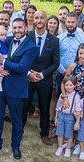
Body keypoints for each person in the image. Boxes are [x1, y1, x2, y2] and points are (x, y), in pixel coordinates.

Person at [0, 18, 37, 159]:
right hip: (0, 86)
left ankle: (15, 146)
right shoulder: (7, 39)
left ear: (25, 29)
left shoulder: (31, 47)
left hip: (16, 87)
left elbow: (22, 68)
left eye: (19, 27)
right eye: (14, 28)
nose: (17, 30)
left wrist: (3, 62)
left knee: (16, 118)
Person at [23, 10, 60, 145]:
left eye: (41, 18)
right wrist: (29, 73)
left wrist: (42, 74)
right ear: (33, 20)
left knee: (44, 107)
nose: (39, 20)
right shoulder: (27, 36)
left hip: (45, 79)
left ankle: (44, 133)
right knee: (24, 105)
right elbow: (21, 58)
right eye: (36, 17)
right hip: (28, 78)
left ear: (46, 20)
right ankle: (19, 131)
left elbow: (56, 62)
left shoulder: (54, 40)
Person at [57, 13, 84, 95]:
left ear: (77, 22)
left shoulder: (83, 39)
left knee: (77, 99)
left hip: (78, 75)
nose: (70, 24)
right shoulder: (59, 39)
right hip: (62, 73)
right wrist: (63, 71)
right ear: (65, 22)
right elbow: (56, 57)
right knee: (61, 96)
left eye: (73, 22)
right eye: (68, 22)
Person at [54, 76, 80, 158]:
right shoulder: (62, 95)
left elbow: (78, 110)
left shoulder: (76, 96)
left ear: (74, 85)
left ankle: (68, 148)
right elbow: (58, 107)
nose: (68, 87)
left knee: (69, 133)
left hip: (70, 117)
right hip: (61, 115)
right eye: (66, 85)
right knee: (59, 132)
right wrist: (56, 117)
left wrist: (77, 122)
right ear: (64, 86)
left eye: (71, 85)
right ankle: (60, 147)